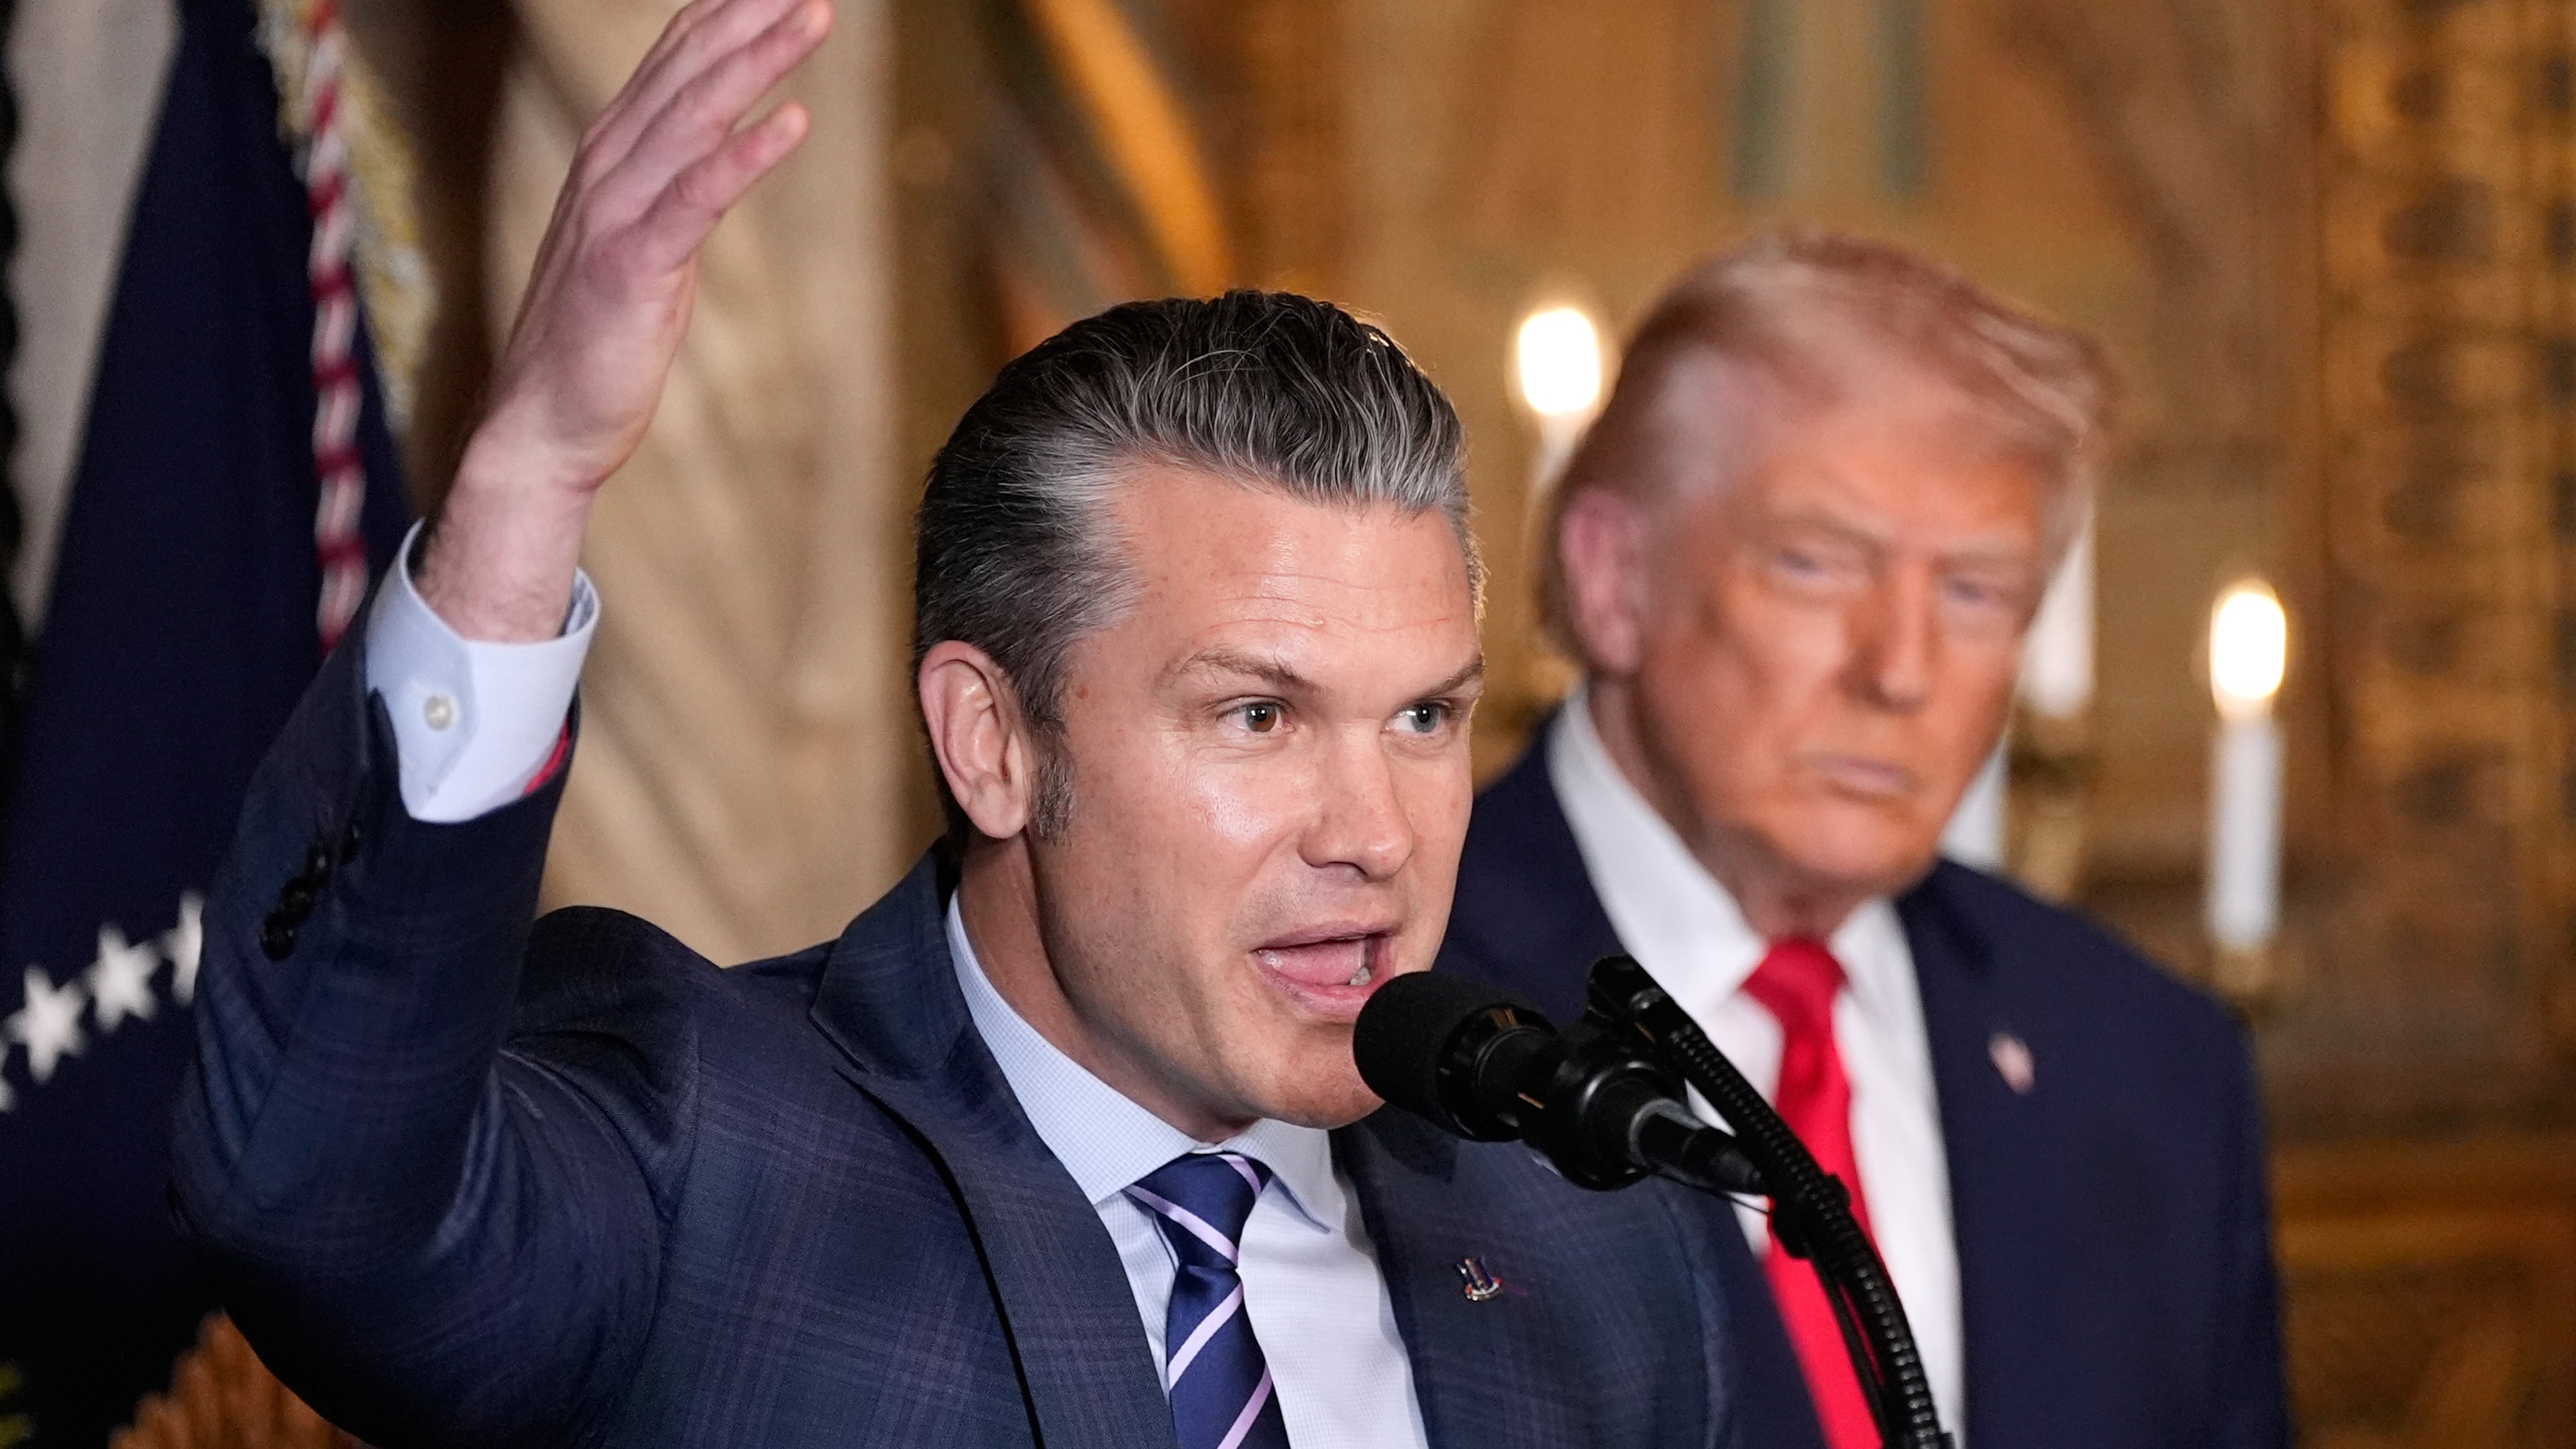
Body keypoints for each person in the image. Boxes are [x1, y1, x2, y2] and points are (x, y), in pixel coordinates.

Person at [166, 3, 1744, 1445]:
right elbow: (318, 1196)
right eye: (1259, 716)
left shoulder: (1589, 1237)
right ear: (993, 741)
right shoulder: (702, 1163)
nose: (1375, 834)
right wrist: (530, 480)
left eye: (1422, 716)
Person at [1440, 235, 2292, 1449]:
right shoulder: (1385, 1006)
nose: (1900, 671)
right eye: (1817, 564)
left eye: (1975, 592)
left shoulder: (2148, 1061)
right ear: (1613, 578)